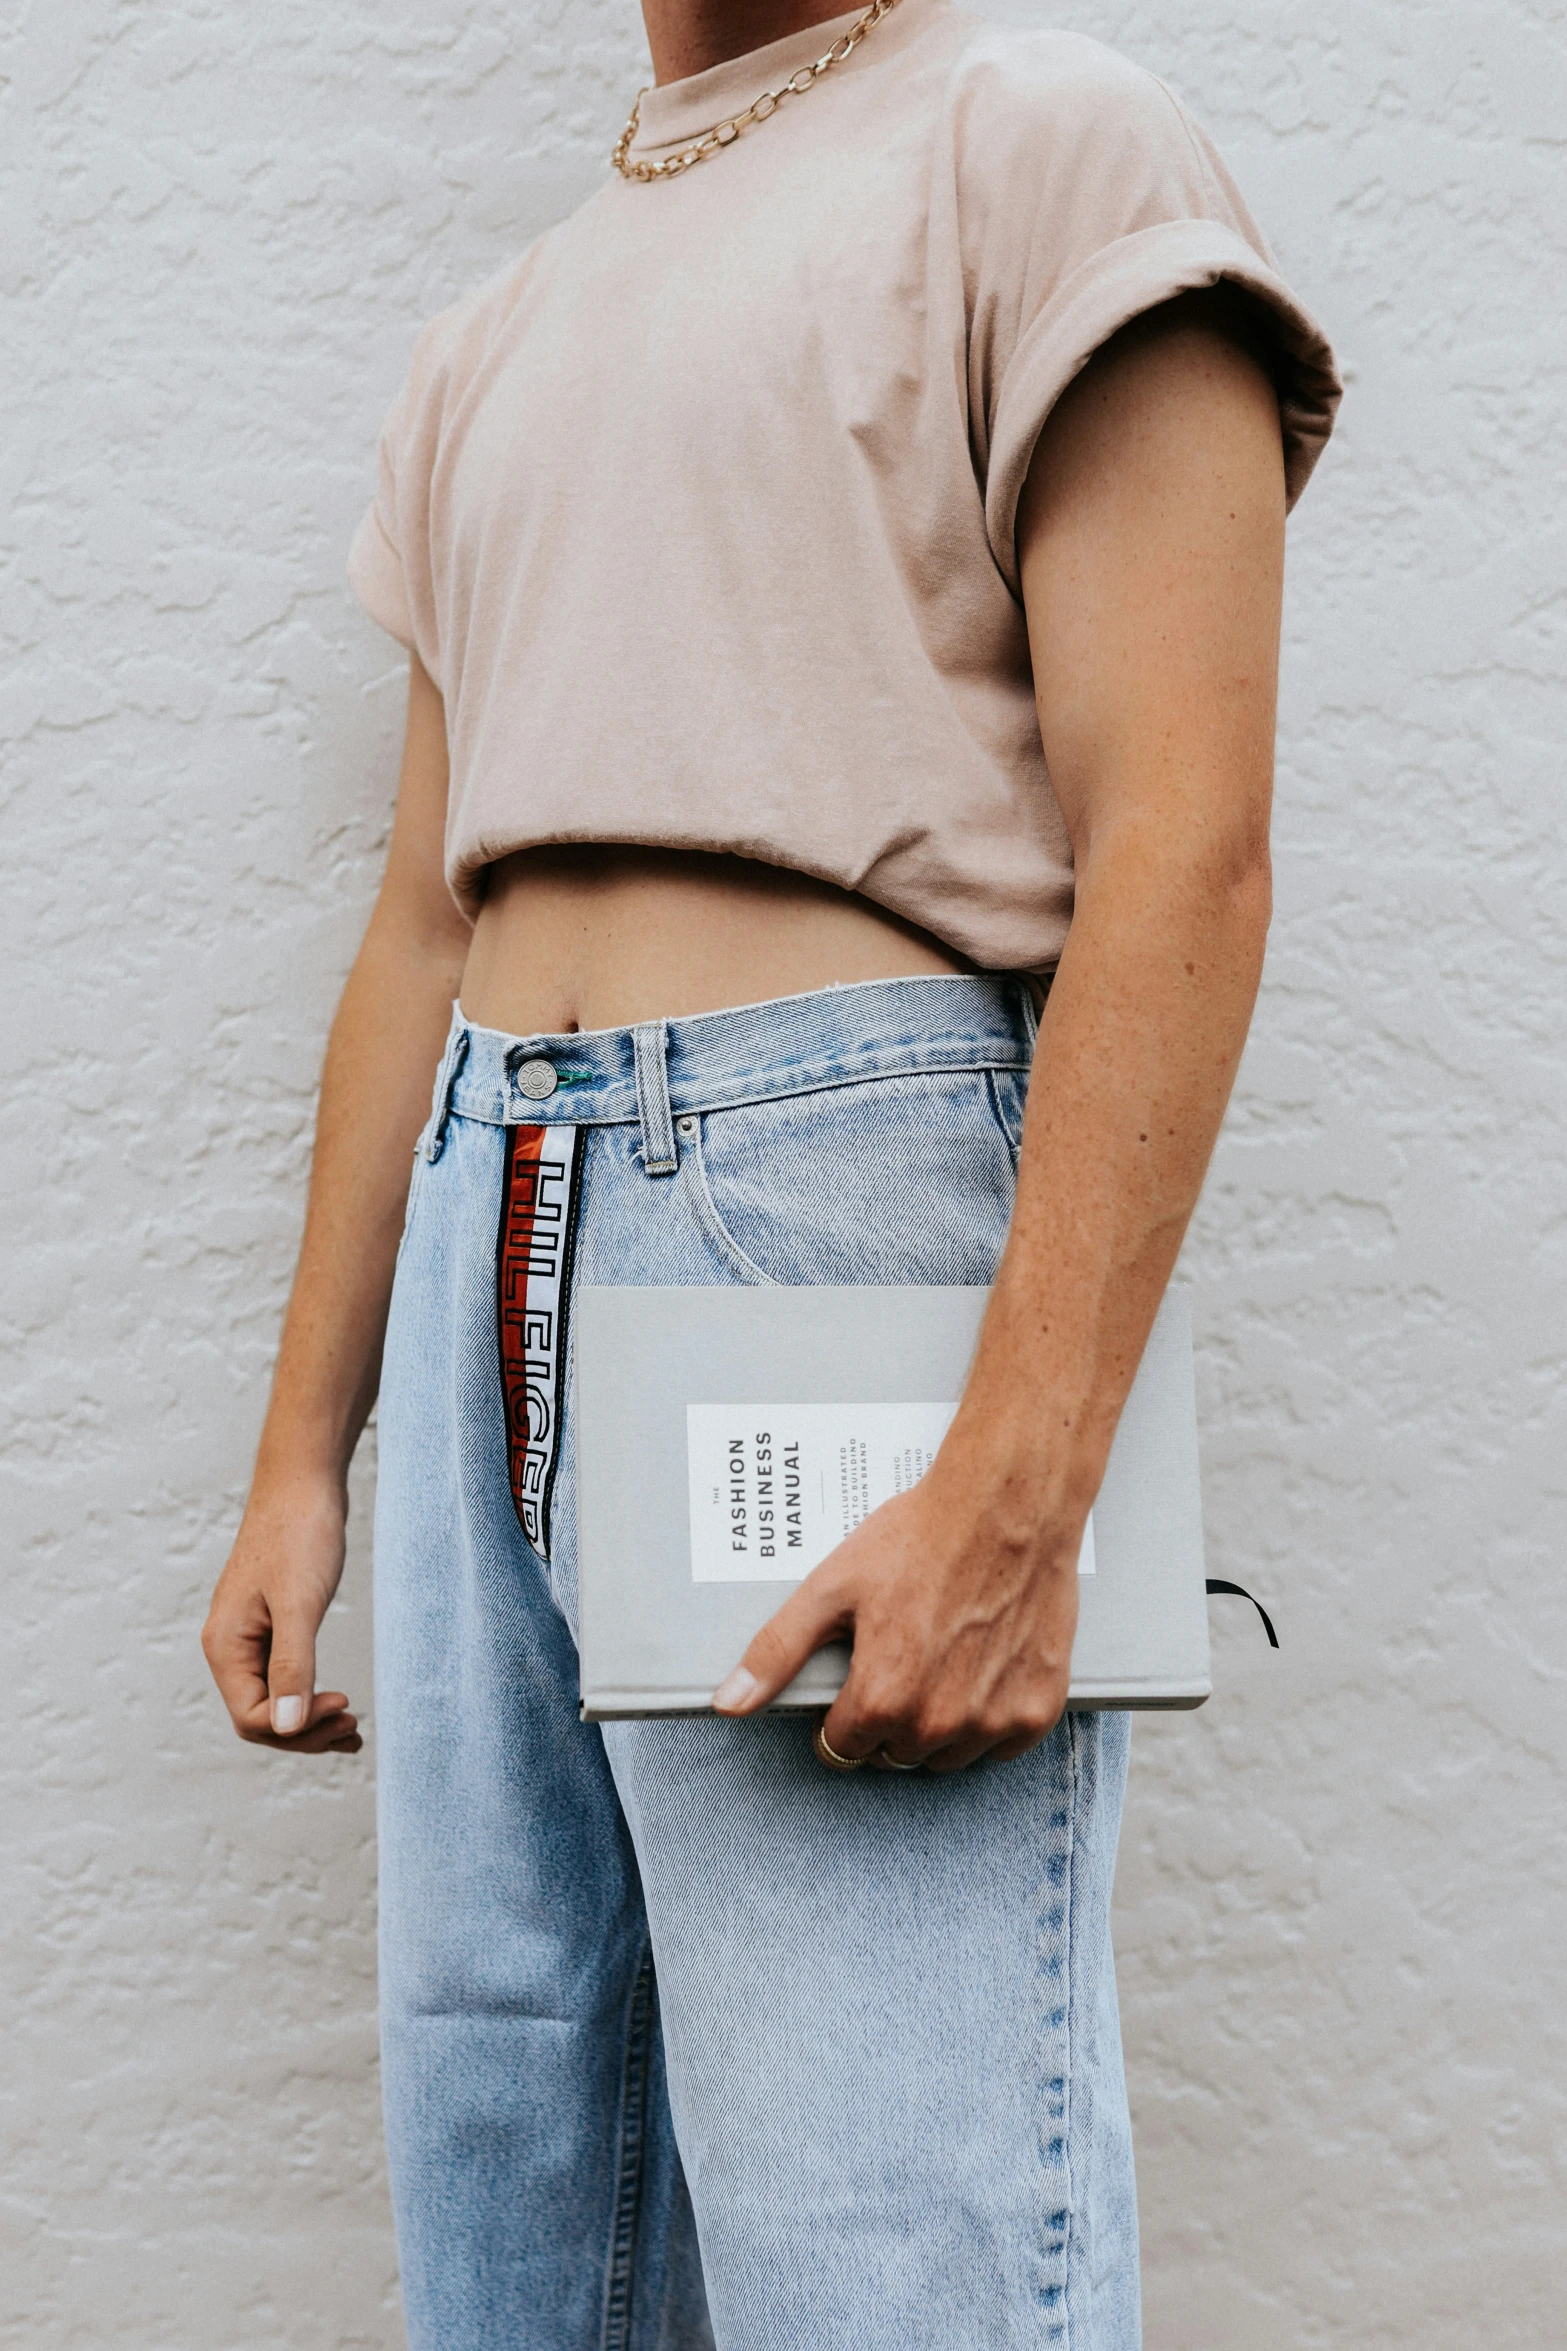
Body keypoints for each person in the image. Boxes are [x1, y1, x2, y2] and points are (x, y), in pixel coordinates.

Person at [202, 0, 1339, 2342]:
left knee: (885, 2213)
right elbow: (424, 917)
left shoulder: (1041, 145)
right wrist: (303, 1453)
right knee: (517, 2190)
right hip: (480, 1226)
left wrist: (1026, 1479)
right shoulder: (494, 334)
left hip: (822, 1197)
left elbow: (1185, 849)